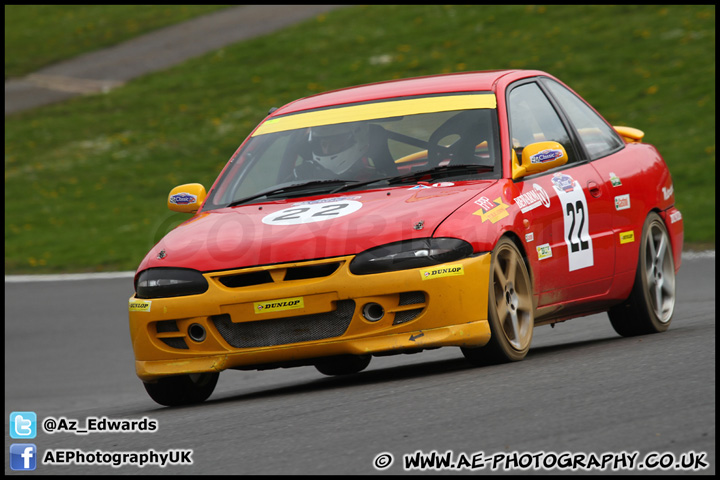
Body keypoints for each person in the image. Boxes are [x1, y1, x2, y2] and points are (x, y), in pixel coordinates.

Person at [293, 122, 380, 181]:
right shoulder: (306, 177)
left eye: (335, 143)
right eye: (324, 144)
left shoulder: (377, 180)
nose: (327, 150)